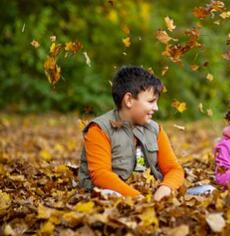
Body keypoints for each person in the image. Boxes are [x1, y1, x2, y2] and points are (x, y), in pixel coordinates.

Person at [78, 66, 185, 201]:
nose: (156, 108)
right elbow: (100, 175)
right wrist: (137, 198)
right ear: (129, 100)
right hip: (113, 197)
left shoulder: (155, 130)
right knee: (108, 195)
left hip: (150, 194)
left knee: (206, 190)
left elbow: (174, 169)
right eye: (151, 101)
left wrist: (166, 188)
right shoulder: (100, 129)